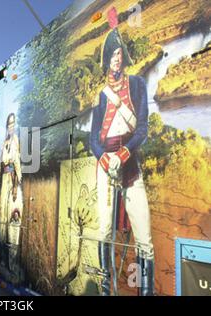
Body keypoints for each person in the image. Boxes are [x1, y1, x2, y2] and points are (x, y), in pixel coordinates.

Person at [89, 7, 154, 296]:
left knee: (144, 238)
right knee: (104, 231)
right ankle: (106, 290)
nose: (116, 59)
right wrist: (105, 158)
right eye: (112, 54)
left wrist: (123, 155)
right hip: (105, 166)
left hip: (128, 162)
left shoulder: (137, 84)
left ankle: (145, 292)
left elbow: (142, 129)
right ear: (106, 59)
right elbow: (93, 139)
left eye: (119, 54)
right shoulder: (99, 95)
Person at [0, 113, 23, 277]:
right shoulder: (4, 142)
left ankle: (12, 264)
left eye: (13, 124)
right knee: (1, 221)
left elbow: (17, 162)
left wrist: (16, 185)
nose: (11, 126)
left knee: (12, 221)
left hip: (12, 180)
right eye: (9, 124)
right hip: (4, 179)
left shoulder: (15, 140)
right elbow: (0, 163)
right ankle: (1, 258)